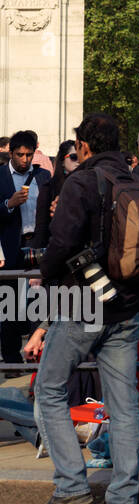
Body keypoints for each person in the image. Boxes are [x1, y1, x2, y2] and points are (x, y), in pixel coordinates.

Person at [30, 113, 139, 504]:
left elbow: (60, 243)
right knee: (124, 402)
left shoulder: (82, 181)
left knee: (49, 389)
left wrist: (45, 277)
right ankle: (124, 496)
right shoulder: (136, 181)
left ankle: (72, 489)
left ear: (83, 146)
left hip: (83, 303)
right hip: (128, 305)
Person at [1, 130, 51, 363]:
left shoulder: (43, 176)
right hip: (11, 245)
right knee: (10, 305)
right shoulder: (0, 175)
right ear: (10, 153)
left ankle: (36, 353)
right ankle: (11, 358)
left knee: (39, 303)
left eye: (29, 155)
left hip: (38, 244)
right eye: (20, 155)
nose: (25, 159)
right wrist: (8, 204)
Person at [33, 139, 77, 247]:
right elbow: (41, 226)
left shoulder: (89, 185)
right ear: (62, 160)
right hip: (55, 246)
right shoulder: (49, 188)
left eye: (82, 156)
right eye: (74, 157)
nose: (79, 160)